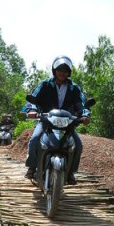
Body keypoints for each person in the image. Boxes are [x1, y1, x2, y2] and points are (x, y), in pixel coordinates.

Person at [23, 55, 91, 185]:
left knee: (78, 144)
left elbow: (81, 104)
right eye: (59, 69)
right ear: (54, 70)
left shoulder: (74, 88)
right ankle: (32, 167)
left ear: (69, 72)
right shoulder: (45, 84)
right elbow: (33, 98)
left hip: (67, 123)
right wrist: (31, 110)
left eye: (65, 71)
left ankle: (70, 172)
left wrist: (85, 115)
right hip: (46, 121)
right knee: (35, 139)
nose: (62, 73)